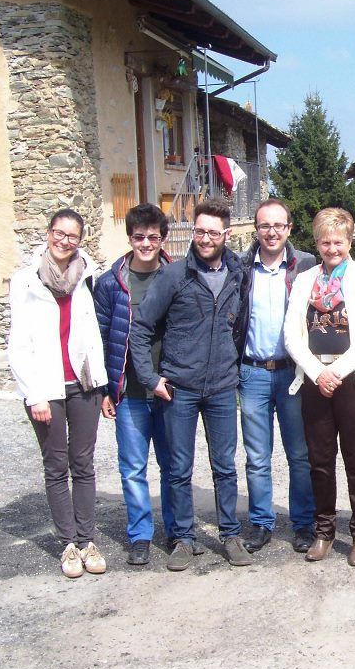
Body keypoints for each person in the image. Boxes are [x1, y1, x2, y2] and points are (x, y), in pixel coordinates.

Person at [128, 199, 251, 571]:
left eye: (213, 232)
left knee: (225, 466)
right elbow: (141, 328)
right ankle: (183, 537)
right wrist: (151, 379)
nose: (206, 238)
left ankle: (230, 535)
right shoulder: (174, 275)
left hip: (221, 387)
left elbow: (241, 323)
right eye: (200, 231)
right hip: (179, 388)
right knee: (179, 469)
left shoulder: (238, 273)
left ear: (226, 234)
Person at [283, 207, 355, 567]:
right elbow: (291, 334)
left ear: (349, 242)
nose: (332, 249)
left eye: (338, 242)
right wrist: (317, 373)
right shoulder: (304, 280)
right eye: (325, 242)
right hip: (315, 380)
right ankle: (324, 531)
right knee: (320, 461)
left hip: (352, 379)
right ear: (317, 243)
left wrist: (337, 372)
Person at [8, 208, 108, 579]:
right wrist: (33, 394)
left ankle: (87, 540)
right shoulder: (26, 280)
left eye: (72, 236)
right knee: (56, 465)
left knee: (83, 463)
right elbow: (18, 343)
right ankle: (68, 544)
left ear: (80, 240)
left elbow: (95, 334)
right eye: (59, 233)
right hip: (46, 387)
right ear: (49, 233)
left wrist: (103, 385)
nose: (64, 241)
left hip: (84, 385)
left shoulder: (88, 276)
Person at [94, 203, 173, 566]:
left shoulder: (177, 276)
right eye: (139, 237)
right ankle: (140, 535)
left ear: (162, 239)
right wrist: (104, 391)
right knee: (132, 469)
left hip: (170, 391)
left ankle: (176, 530)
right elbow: (101, 337)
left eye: (153, 237)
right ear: (129, 238)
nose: (146, 244)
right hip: (130, 393)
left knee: (173, 467)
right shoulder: (111, 283)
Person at [236, 198, 317, 554]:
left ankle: (303, 524)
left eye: (278, 225)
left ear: (289, 228)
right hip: (252, 372)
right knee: (257, 457)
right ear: (256, 229)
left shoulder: (306, 265)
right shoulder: (241, 268)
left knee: (299, 454)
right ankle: (261, 523)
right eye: (265, 225)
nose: (272, 232)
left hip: (292, 375)